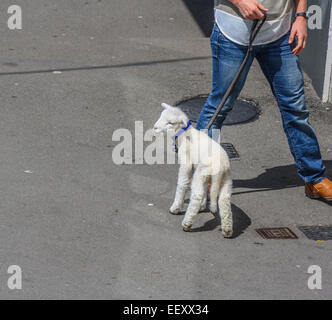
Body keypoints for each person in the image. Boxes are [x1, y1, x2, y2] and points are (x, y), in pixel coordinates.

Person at [196, 0, 332, 202]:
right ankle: (200, 177)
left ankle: (314, 179)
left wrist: (301, 17)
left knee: (296, 109)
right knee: (219, 107)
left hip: (279, 35)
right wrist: (239, 2)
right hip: (234, 34)